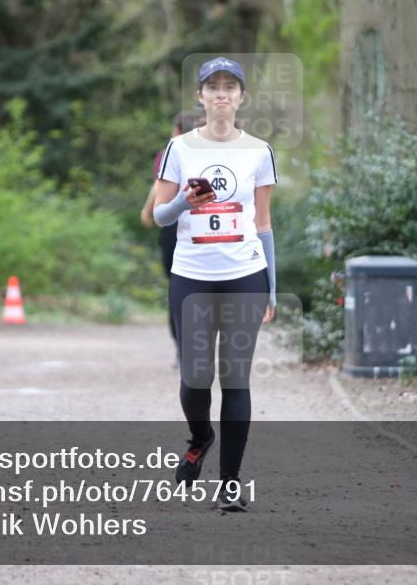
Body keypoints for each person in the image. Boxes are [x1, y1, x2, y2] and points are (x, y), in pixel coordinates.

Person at [153, 56, 277, 512]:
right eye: (213, 86)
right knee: (194, 380)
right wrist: (185, 201)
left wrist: (273, 287)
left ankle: (230, 483)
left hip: (245, 274)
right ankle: (201, 437)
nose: (221, 93)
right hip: (192, 276)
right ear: (200, 97)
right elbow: (159, 215)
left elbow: (263, 224)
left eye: (230, 86)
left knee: (236, 378)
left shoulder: (259, 151)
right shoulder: (180, 149)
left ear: (242, 97)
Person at [141, 110, 205, 367]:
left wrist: (147, 211)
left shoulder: (171, 151)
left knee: (178, 284)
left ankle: (183, 347)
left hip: (176, 224)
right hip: (204, 223)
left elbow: (159, 186)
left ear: (178, 130)